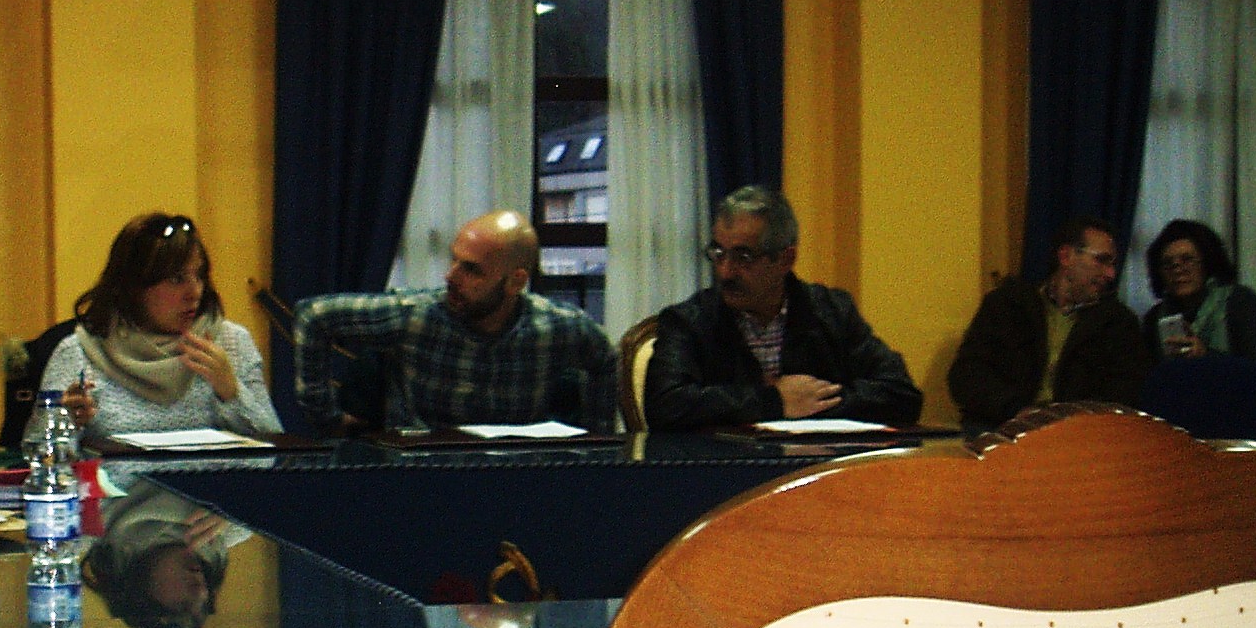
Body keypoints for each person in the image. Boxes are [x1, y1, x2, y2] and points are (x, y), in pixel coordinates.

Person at [293, 212, 616, 433]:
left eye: (471, 269)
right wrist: (327, 418)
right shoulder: (417, 315)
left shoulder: (555, 327)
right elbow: (313, 315)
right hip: (423, 473)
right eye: (454, 259)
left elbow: (605, 359)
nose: (451, 276)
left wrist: (595, 440)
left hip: (516, 476)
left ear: (515, 281)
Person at [645, 185, 922, 431]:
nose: (725, 272)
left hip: (818, 465)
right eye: (718, 253)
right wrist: (774, 401)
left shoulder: (832, 312)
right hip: (725, 466)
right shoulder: (688, 321)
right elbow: (665, 405)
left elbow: (902, 395)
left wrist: (811, 402)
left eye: (743, 257)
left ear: (786, 259)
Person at [42, 212, 281, 443]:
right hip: (115, 473)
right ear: (135, 287)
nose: (194, 292)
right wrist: (67, 423)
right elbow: (41, 452)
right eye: (177, 279)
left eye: (199, 276)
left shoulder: (232, 342)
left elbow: (278, 450)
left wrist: (232, 392)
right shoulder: (78, 353)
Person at [947, 214, 1149, 430]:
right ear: (1066, 256)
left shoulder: (1117, 323)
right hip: (1003, 426)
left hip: (1077, 435)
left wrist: (1067, 421)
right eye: (1101, 260)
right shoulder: (1008, 305)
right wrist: (1016, 410)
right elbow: (966, 375)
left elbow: (1124, 393)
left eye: (1113, 264)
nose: (1110, 274)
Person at [81, 481, 250, 628]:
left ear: (139, 596)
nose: (201, 591)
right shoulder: (236, 526)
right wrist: (240, 496)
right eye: (204, 604)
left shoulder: (82, 517)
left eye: (182, 604)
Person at [1142, 219, 1256, 362]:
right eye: (1168, 264)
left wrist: (1206, 356)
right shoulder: (1154, 319)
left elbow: (1255, 367)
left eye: (1187, 260)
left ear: (1207, 263)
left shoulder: (1240, 303)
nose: (1178, 270)